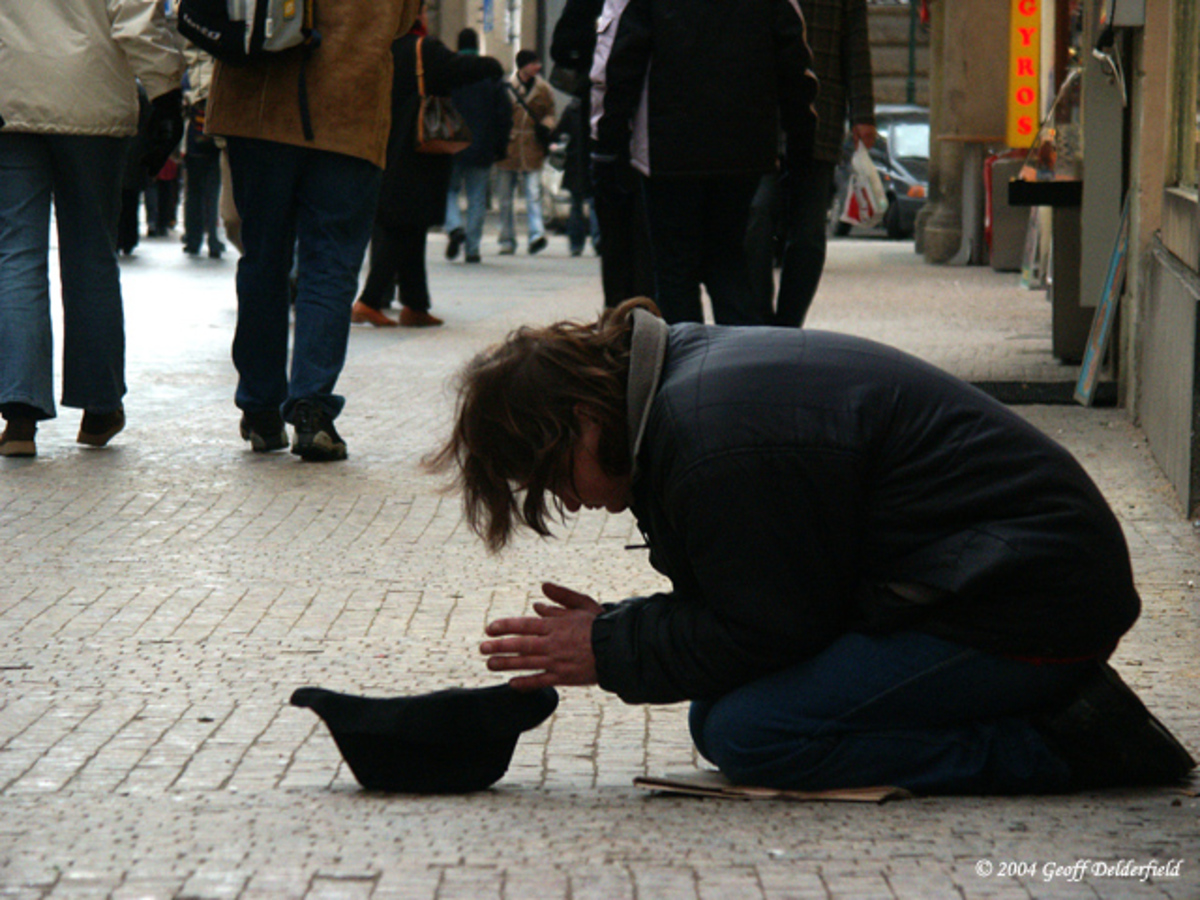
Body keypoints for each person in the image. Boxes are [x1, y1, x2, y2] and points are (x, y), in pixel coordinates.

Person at [428, 298, 1196, 795]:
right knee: (721, 712)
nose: (570, 500)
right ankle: (1046, 711)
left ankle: (1067, 745)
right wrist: (616, 630)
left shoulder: (710, 445)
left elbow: (771, 625)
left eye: (556, 474)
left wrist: (614, 646)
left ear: (580, 416)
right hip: (990, 575)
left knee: (750, 732)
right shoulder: (679, 391)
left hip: (1026, 607)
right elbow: (767, 592)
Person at [205, 0, 422, 461]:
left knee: (263, 259)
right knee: (330, 264)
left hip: (260, 100)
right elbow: (402, 21)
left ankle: (261, 410)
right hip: (349, 105)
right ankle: (312, 410)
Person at [0, 0, 184, 458]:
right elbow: (135, 15)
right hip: (92, 100)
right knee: (91, 258)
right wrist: (165, 92)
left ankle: (20, 410)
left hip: (11, 95)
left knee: (17, 254)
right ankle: (100, 406)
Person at [590, 0, 817, 325]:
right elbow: (796, 63)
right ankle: (738, 365)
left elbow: (616, 61)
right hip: (744, 145)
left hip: (667, 146)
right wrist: (800, 141)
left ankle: (687, 363)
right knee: (728, 261)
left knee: (674, 270)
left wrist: (607, 141)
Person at [351, 14, 504, 328]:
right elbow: (458, 69)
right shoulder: (422, 48)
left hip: (385, 145)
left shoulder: (379, 47)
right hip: (415, 151)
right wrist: (492, 65)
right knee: (402, 226)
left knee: (409, 226)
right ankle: (369, 300)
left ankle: (415, 304)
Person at [746, 0, 877, 327]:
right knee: (756, 217)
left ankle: (788, 325)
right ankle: (759, 320)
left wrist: (863, 113)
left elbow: (855, 43)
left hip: (822, 112)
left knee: (807, 233)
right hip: (761, 112)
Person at [552, 0, 653, 305]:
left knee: (624, 229)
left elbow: (563, 46)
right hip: (615, 123)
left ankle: (629, 314)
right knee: (626, 226)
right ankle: (627, 314)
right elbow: (563, 47)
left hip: (623, 123)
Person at [443, 29, 513, 266]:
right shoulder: (489, 74)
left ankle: (454, 227)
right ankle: (472, 248)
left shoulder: (449, 71)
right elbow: (504, 113)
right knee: (477, 198)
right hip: (482, 146)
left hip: (451, 143)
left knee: (448, 191)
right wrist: (500, 145)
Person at [495, 50, 556, 257]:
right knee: (505, 198)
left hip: (532, 145)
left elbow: (550, 113)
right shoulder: (506, 87)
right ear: (523, 66)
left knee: (533, 194)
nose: (537, 66)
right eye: (533, 63)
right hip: (508, 146)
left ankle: (536, 235)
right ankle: (506, 238)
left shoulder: (544, 89)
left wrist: (546, 127)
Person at [181, 45, 226, 259]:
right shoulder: (222, 65)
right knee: (213, 189)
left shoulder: (194, 69)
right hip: (219, 131)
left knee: (195, 191)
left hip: (196, 131)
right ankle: (213, 239)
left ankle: (193, 238)